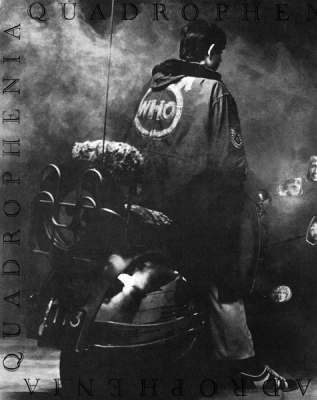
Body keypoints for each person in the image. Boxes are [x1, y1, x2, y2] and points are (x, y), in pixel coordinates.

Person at [122, 19, 298, 392]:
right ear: (211, 52)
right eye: (220, 53)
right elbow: (229, 163)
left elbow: (133, 145)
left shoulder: (154, 87)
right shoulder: (213, 90)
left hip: (142, 204)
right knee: (227, 273)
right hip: (190, 212)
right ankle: (243, 363)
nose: (220, 60)